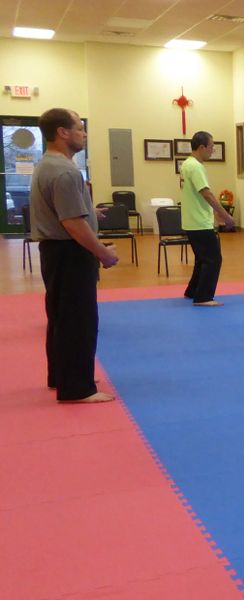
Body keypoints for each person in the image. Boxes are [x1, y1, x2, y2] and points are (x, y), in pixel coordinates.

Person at [30, 108, 119, 403]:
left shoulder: (47, 165)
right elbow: (72, 224)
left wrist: (89, 212)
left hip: (55, 253)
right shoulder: (65, 171)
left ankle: (62, 376)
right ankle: (78, 388)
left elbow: (63, 212)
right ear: (62, 133)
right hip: (70, 253)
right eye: (79, 128)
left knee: (60, 316)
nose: (84, 134)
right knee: (78, 320)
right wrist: (103, 253)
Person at [180, 131, 236, 306]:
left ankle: (193, 290)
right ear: (202, 147)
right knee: (213, 259)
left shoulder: (187, 164)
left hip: (192, 220)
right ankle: (203, 297)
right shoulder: (196, 167)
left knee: (202, 259)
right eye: (211, 147)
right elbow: (207, 194)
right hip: (199, 222)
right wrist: (225, 215)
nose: (212, 150)